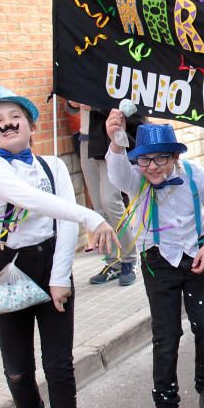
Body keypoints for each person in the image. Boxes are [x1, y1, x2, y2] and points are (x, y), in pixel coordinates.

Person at [0, 86, 118, 408]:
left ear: (31, 125)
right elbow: (34, 202)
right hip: (10, 267)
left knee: (59, 366)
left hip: (51, 262)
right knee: (18, 369)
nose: (5, 121)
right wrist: (93, 216)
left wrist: (59, 278)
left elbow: (64, 224)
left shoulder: (54, 165)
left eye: (13, 114)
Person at [104, 114, 204, 408]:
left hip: (195, 257)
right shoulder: (136, 179)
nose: (153, 167)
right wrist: (116, 139)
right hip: (157, 261)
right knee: (166, 335)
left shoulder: (195, 176)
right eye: (145, 159)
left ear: (175, 156)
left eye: (161, 158)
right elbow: (117, 174)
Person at [66, 101, 142, 287]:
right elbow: (70, 105)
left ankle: (130, 259)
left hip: (108, 137)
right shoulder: (80, 71)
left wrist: (96, 105)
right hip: (86, 138)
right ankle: (113, 262)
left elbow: (128, 102)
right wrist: (72, 102)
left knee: (111, 201)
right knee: (99, 206)